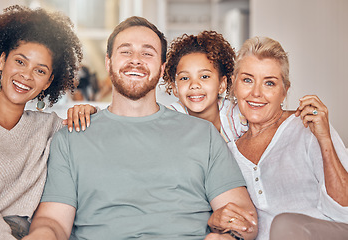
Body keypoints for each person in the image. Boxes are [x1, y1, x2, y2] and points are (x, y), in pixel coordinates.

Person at [24, 16, 258, 240]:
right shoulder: (70, 137)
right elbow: (53, 222)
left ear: (162, 66)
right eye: (126, 51)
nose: (136, 59)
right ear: (108, 62)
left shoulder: (204, 134)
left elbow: (244, 220)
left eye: (147, 53)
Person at [0, 5, 95, 240]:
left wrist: (89, 110)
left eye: (40, 71)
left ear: (48, 82)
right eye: (20, 62)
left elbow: (99, 136)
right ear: (2, 61)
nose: (26, 76)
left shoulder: (50, 127)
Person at [214, 36, 348, 240]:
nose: (256, 93)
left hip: (327, 233)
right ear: (233, 85)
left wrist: (324, 139)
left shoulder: (308, 127)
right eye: (247, 80)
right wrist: (214, 221)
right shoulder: (229, 153)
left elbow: (345, 210)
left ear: (285, 91)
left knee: (285, 224)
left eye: (269, 83)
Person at [163, 30, 248, 143]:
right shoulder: (169, 119)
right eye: (184, 78)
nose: (194, 85)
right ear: (175, 88)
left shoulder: (237, 117)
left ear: (221, 84)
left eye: (204, 76)